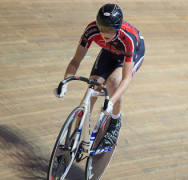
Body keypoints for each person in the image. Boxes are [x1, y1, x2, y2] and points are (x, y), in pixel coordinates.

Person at [54, 3, 145, 148]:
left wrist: (111, 102)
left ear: (118, 28)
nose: (105, 33)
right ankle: (75, 139)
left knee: (113, 82)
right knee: (92, 89)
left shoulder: (128, 38)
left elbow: (126, 78)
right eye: (102, 28)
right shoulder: (91, 30)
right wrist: (65, 82)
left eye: (109, 30)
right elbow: (76, 61)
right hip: (110, 51)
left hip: (132, 53)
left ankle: (115, 120)